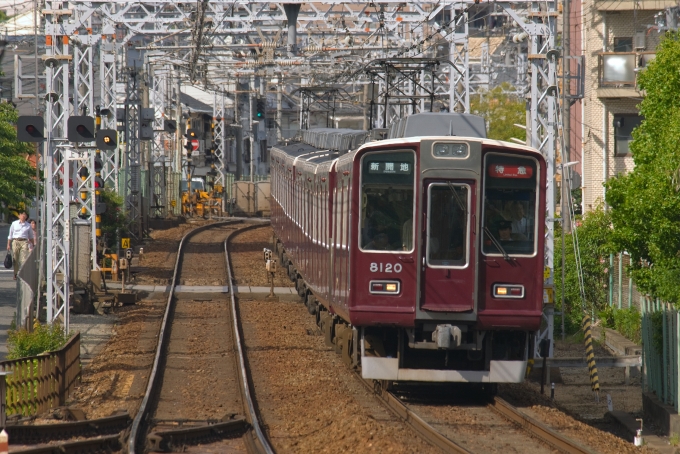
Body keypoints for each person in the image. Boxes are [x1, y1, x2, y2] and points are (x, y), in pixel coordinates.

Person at [7, 210, 35, 280]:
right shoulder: (14, 224)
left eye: (25, 214)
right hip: (15, 241)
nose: (23, 216)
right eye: (22, 214)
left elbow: (31, 236)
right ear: (19, 215)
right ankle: (15, 273)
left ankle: (22, 274)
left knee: (23, 259)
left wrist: (33, 244)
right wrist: (8, 244)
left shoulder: (28, 225)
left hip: (24, 242)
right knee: (15, 258)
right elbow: (10, 235)